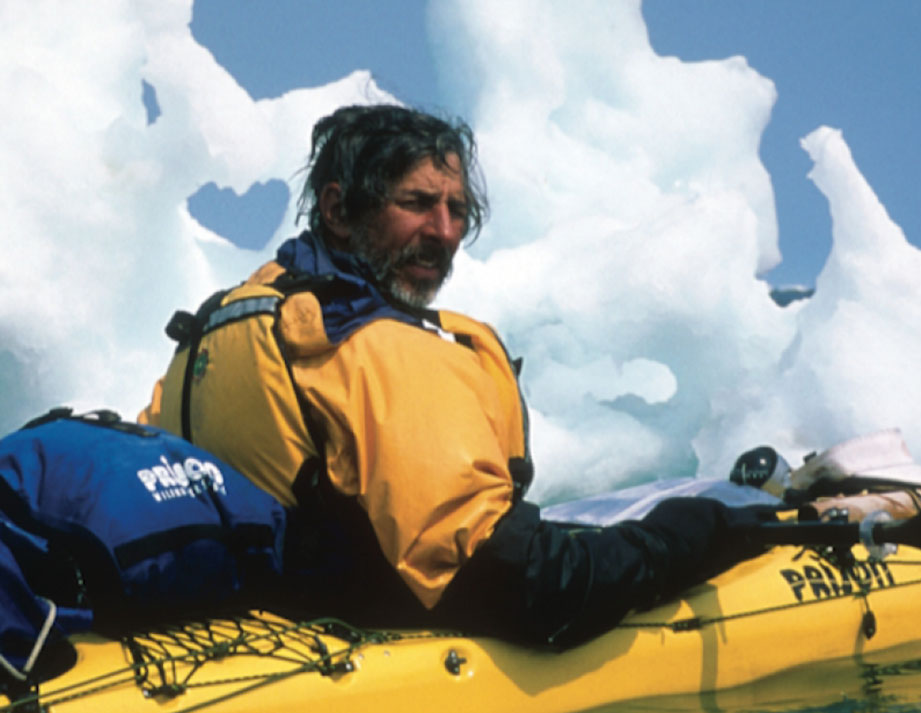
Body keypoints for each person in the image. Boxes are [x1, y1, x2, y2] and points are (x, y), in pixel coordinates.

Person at [139, 104, 771, 649]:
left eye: (457, 211)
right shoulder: (373, 349)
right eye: (417, 203)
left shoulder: (221, 328)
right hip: (380, 649)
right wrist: (696, 535)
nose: (443, 233)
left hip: (251, 631)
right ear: (337, 208)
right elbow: (528, 586)